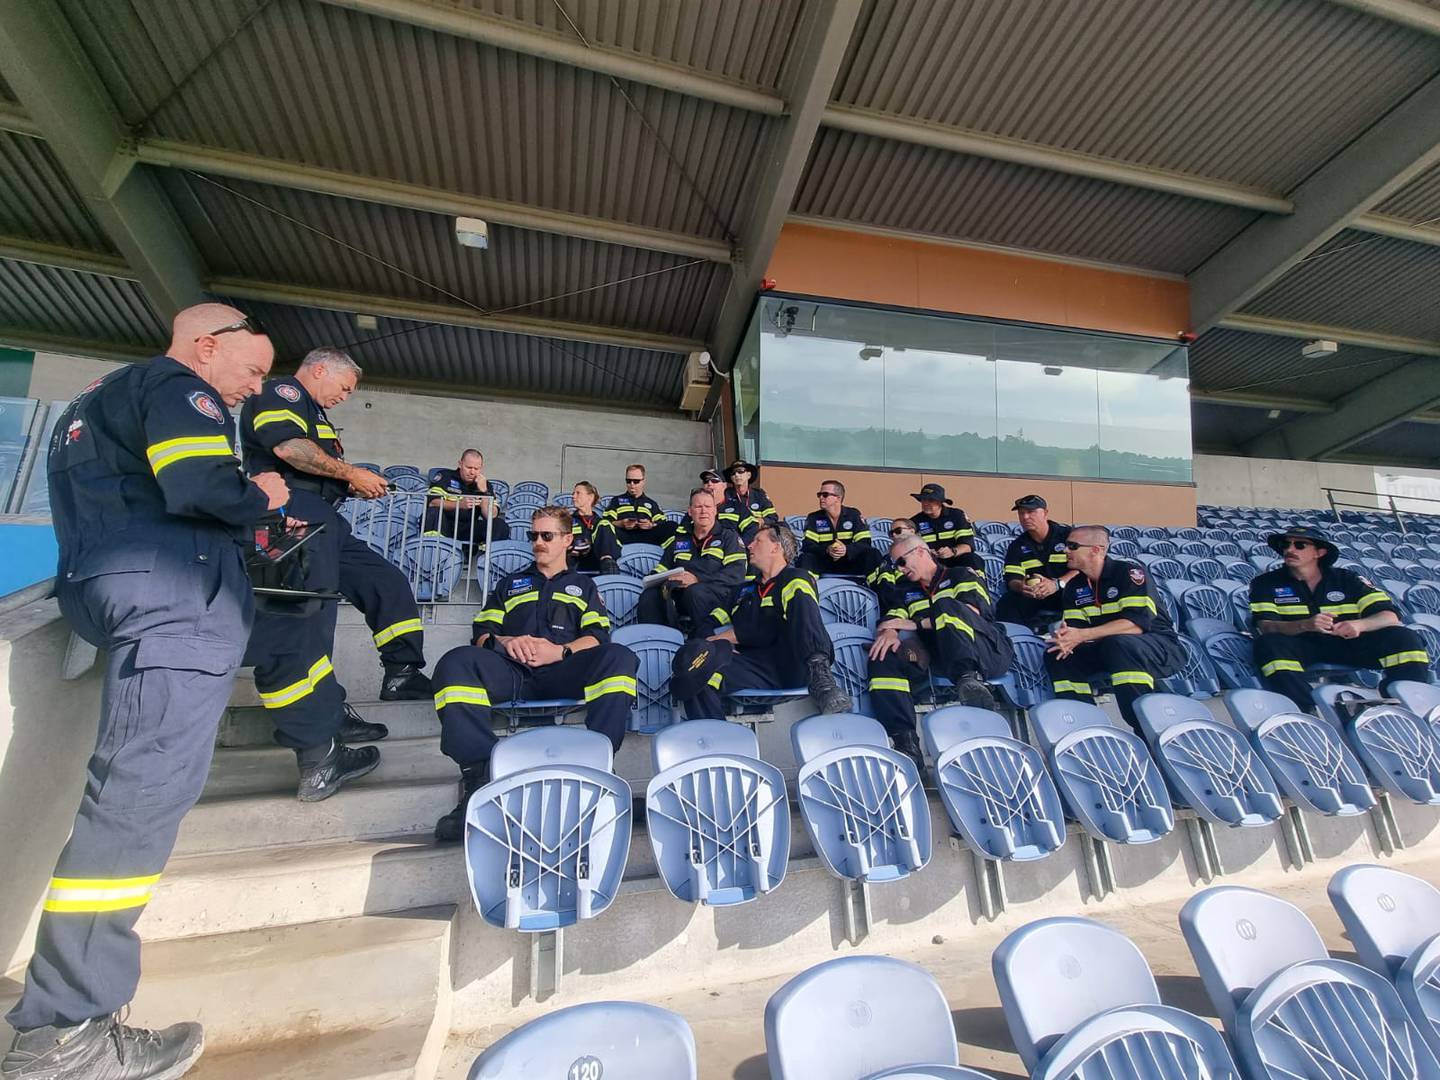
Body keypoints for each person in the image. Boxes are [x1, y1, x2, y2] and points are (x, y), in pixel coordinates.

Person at [2, 304, 288, 1080]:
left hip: (116, 593)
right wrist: (263, 493)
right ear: (206, 345)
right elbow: (200, 484)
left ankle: (61, 1014)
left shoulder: (93, 400)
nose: (252, 389)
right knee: (137, 805)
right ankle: (65, 1029)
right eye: (252, 370)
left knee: (127, 799)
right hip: (174, 607)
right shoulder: (176, 387)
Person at [240, 347, 431, 800]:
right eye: (345, 387)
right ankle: (322, 738)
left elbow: (315, 460)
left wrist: (346, 483)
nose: (346, 396)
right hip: (291, 516)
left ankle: (401, 672)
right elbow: (288, 448)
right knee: (312, 620)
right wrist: (350, 472)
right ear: (319, 369)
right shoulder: (281, 393)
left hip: (327, 518)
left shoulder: (317, 412)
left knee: (385, 581)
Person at [429, 506, 638, 842]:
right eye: (533, 536)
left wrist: (561, 650)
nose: (538, 542)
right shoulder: (510, 583)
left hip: (563, 671)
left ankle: (601, 767)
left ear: (568, 540)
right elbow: (482, 631)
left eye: (547, 535)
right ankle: (479, 778)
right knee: (455, 662)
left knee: (619, 657)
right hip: (513, 672)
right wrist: (508, 641)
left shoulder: (584, 586)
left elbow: (597, 637)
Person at [671, 522, 850, 719]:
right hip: (756, 665)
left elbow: (780, 626)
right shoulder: (742, 590)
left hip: (792, 662)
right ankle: (715, 741)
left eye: (758, 541)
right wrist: (714, 645)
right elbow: (708, 623)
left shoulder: (796, 578)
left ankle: (821, 675)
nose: (749, 545)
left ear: (776, 547)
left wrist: (739, 635)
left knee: (798, 590)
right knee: (701, 673)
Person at [866, 534, 1012, 761]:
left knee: (946, 605)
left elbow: (972, 612)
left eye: (902, 562)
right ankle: (905, 743)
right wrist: (890, 632)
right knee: (883, 654)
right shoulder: (904, 590)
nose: (900, 569)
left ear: (921, 552)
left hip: (983, 652)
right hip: (939, 657)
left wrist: (916, 623)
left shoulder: (961, 575)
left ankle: (968, 680)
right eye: (895, 565)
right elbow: (892, 619)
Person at [1249, 526, 1430, 702]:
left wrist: (1359, 625)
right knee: (1268, 644)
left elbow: (1389, 615)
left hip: (1350, 644)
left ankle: (1407, 701)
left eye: (1300, 545)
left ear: (1319, 553)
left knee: (1404, 637)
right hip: (1302, 645)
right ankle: (1302, 708)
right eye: (1286, 545)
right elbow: (1266, 626)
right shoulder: (1265, 583)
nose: (1290, 549)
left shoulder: (1347, 579)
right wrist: (1305, 624)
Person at [1044, 526, 1184, 731]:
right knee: (1058, 654)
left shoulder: (1129, 573)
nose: (1065, 550)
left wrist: (1082, 634)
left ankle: (1146, 726)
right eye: (1066, 545)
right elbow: (1077, 630)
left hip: (1159, 646)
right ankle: (1084, 724)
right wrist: (1066, 638)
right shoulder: (1074, 587)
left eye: (1072, 546)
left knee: (1118, 643)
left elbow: (1136, 625)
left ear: (1097, 550)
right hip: (1109, 647)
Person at [636, 487, 747, 633]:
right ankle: (657, 641)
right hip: (680, 593)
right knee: (649, 596)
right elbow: (663, 567)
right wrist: (654, 578)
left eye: (707, 506)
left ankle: (701, 642)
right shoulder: (679, 539)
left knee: (695, 591)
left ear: (715, 510)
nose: (703, 511)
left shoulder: (729, 537)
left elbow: (736, 574)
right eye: (698, 506)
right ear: (690, 511)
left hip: (716, 595)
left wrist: (698, 579)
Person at [996, 495, 1073, 630]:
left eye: (1031, 512)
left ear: (1045, 513)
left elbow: (1084, 569)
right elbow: (1012, 579)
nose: (1025, 517)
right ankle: (1014, 641)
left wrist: (1057, 584)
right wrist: (1022, 586)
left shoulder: (1069, 536)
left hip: (1067, 591)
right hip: (1035, 595)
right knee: (1007, 602)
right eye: (1021, 513)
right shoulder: (1017, 546)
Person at [423, 448, 509, 549]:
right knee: (433, 513)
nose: (472, 472)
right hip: (445, 524)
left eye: (476, 469)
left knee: (500, 524)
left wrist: (485, 493)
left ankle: (484, 559)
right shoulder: (445, 476)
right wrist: (459, 504)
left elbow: (491, 515)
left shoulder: (485, 484)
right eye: (469, 467)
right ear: (460, 464)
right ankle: (433, 549)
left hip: (469, 527)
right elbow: (433, 503)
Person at [798, 479, 882, 577]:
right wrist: (827, 549)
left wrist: (847, 549)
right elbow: (808, 546)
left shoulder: (853, 515)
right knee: (805, 558)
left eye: (825, 495)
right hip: (824, 562)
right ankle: (809, 589)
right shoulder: (814, 518)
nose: (821, 498)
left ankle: (878, 588)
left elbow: (865, 542)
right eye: (819, 495)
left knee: (873, 554)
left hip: (850, 562)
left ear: (838, 498)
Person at [908, 483, 979, 569]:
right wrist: (927, 552)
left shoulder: (957, 515)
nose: (925, 503)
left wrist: (953, 551)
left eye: (931, 500)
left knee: (974, 559)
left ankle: (976, 581)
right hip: (929, 563)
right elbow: (910, 549)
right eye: (923, 500)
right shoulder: (915, 521)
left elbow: (967, 545)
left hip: (955, 559)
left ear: (940, 502)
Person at [605, 462, 671, 545]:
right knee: (603, 527)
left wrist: (650, 525)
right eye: (628, 481)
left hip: (647, 536)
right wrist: (622, 523)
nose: (632, 484)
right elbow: (607, 521)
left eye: (636, 481)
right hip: (623, 535)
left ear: (643, 481)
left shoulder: (651, 503)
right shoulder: (616, 500)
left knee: (671, 525)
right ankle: (608, 556)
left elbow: (662, 521)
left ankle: (668, 556)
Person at [569, 481, 620, 573]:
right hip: (573, 562)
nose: (573, 496)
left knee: (605, 524)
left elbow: (617, 548)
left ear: (590, 497)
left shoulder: (601, 523)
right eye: (573, 493)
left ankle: (607, 562)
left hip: (596, 562)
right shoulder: (568, 520)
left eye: (578, 493)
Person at [722, 459, 778, 541]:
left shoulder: (759, 495)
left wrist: (760, 521)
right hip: (734, 535)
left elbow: (772, 518)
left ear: (749, 475)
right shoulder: (725, 494)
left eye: (740, 471)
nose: (737, 475)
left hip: (757, 534)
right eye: (733, 473)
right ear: (731, 478)